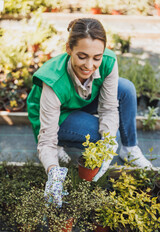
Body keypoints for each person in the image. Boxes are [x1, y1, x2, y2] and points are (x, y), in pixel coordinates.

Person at [27, 18, 152, 206]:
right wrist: (53, 172)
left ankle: (129, 148)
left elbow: (109, 108)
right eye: (82, 56)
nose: (89, 65)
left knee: (125, 89)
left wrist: (109, 145)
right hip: (57, 115)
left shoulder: (107, 61)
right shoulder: (53, 82)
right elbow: (47, 140)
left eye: (96, 57)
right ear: (69, 49)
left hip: (80, 100)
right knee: (97, 135)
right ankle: (64, 144)